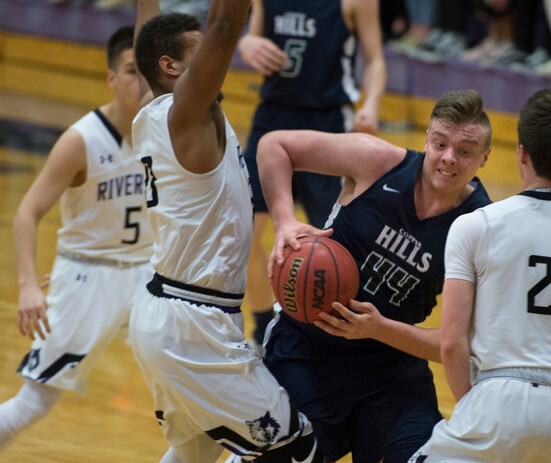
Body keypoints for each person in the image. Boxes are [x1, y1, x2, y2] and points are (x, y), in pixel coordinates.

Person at [128, 0, 322, 461]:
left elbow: (146, 39)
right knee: (293, 449)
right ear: (171, 68)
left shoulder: (153, 105)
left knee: (196, 452)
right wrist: (224, 27)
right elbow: (225, 23)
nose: (217, 66)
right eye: (202, 55)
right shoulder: (185, 114)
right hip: (192, 320)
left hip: (176, 311)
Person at [257, 89, 494, 462]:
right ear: (427, 140)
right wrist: (285, 221)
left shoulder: (483, 227)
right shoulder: (379, 161)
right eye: (440, 144)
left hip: (390, 368)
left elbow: (458, 344)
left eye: (465, 151)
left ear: (484, 158)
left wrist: (378, 328)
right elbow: (275, 146)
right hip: (307, 351)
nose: (449, 158)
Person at [410, 88, 551, 462]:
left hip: (498, 401)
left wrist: (476, 405)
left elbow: (452, 343)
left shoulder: (476, 225)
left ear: (522, 152)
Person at [0, 26, 153, 452]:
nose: (139, 83)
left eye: (147, 73)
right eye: (129, 71)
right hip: (88, 276)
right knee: (34, 403)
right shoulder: (80, 140)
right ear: (110, 78)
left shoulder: (160, 133)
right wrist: (29, 284)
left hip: (147, 273)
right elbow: (27, 213)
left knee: (187, 387)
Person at [240, 0, 387, 350]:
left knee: (340, 244)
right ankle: (264, 331)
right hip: (271, 120)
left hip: (328, 125)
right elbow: (250, 37)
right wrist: (246, 43)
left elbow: (376, 59)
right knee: (243, 234)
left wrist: (371, 104)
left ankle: (338, 336)